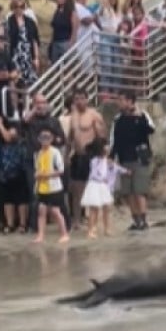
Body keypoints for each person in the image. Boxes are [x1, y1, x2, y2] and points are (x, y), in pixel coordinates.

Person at [109, 91, 155, 231]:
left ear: (130, 101)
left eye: (122, 100)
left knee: (139, 190)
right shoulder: (118, 119)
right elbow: (114, 139)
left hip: (140, 157)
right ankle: (135, 219)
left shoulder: (143, 115)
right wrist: (112, 156)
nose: (119, 103)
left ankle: (143, 219)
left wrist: (139, 117)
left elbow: (151, 130)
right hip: (124, 158)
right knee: (128, 192)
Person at [66, 89, 105, 229]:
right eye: (77, 98)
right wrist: (66, 156)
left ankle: (93, 220)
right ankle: (77, 220)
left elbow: (102, 136)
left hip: (91, 154)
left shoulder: (93, 115)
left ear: (87, 99)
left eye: (82, 98)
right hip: (78, 156)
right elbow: (69, 139)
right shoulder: (73, 117)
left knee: (94, 190)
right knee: (77, 191)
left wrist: (101, 157)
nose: (79, 101)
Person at [0, 114, 31, 234]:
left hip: (18, 169)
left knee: (21, 198)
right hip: (4, 172)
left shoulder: (12, 130)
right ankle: (10, 224)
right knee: (8, 199)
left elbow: (8, 138)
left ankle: (23, 224)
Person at [81, 137, 127, 238]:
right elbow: (94, 174)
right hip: (95, 185)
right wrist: (102, 178)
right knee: (94, 208)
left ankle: (107, 228)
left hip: (103, 186)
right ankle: (91, 229)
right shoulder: (95, 160)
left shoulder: (106, 160)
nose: (108, 147)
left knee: (107, 207)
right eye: (106, 145)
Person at [33, 129, 69, 244]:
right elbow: (37, 169)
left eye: (47, 138)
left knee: (55, 211)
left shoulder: (55, 152)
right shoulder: (38, 153)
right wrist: (38, 176)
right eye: (42, 138)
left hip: (54, 187)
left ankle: (64, 234)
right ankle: (41, 235)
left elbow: (61, 170)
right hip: (42, 187)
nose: (44, 141)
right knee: (41, 211)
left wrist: (47, 175)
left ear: (51, 139)